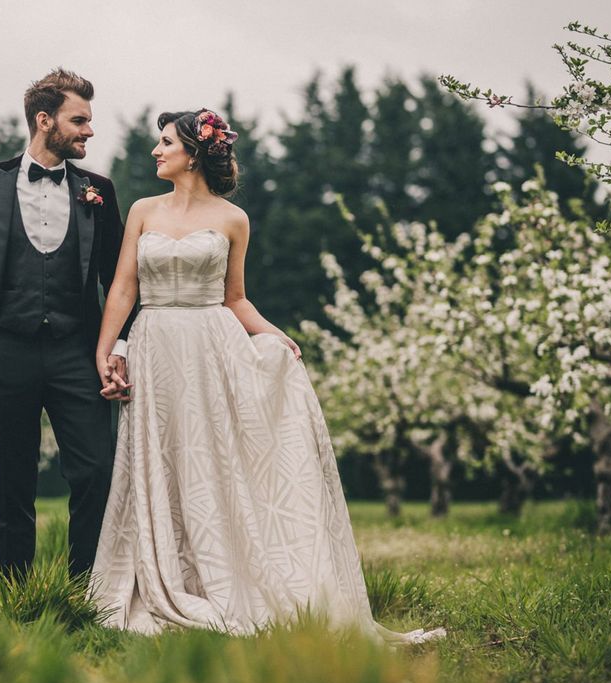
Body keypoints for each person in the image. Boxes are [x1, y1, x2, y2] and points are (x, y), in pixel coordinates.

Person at [89, 108, 445, 644]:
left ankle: (222, 572)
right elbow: (123, 287)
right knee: (160, 458)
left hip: (213, 348)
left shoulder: (234, 219)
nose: (156, 152)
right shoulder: (142, 210)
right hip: (155, 345)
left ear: (194, 151)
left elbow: (235, 298)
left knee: (212, 457)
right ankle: (164, 574)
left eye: (165, 143)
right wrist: (107, 350)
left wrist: (275, 335)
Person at [0, 68, 133, 579]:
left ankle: (87, 588)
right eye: (80, 120)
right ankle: (16, 592)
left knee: (95, 471)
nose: (90, 130)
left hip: (78, 352)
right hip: (2, 350)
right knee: (14, 479)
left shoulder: (99, 190)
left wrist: (119, 347)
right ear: (45, 121)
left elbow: (118, 281)